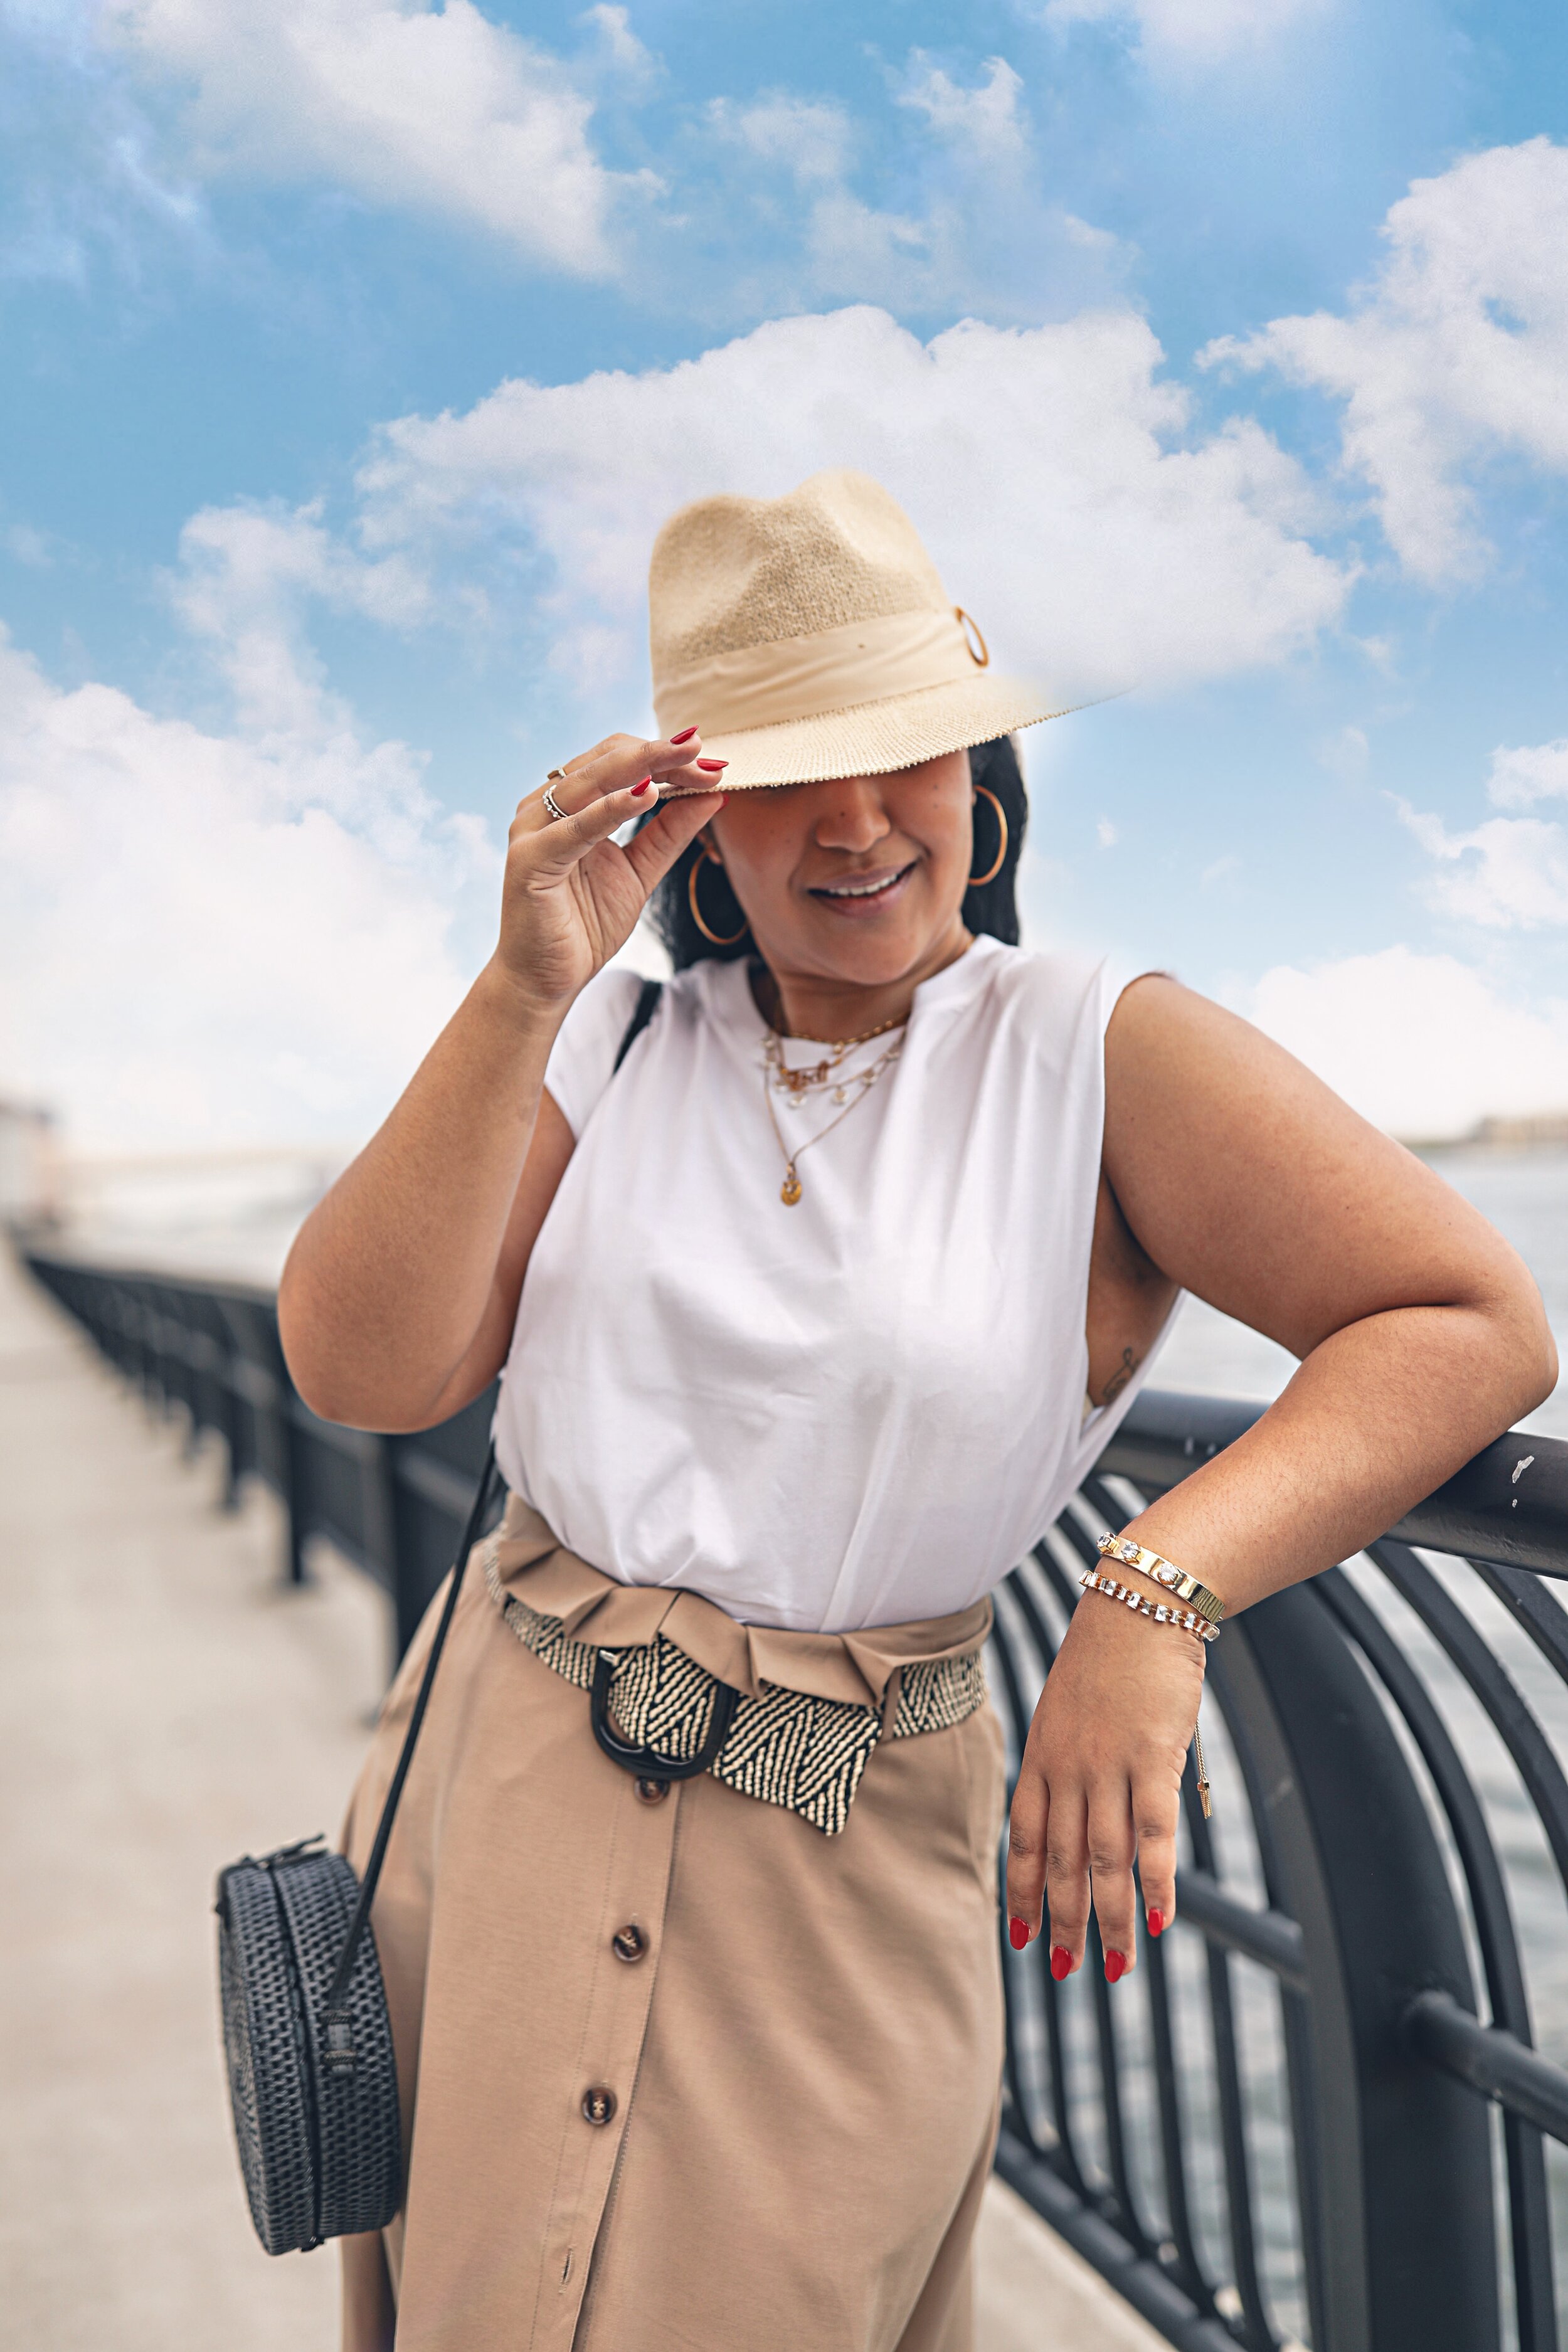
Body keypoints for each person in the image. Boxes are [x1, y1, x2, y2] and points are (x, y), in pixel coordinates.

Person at [278, 469, 1555, 2352]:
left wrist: (1154, 1594)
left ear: (987, 780)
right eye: (788, 768)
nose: (861, 821)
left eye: (914, 754)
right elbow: (360, 1371)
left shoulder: (1096, 1048)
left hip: (838, 1842)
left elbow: (1462, 1318)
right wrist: (516, 988)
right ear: (692, 822)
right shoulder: (615, 1045)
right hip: (503, 1772)